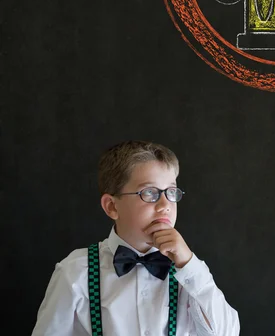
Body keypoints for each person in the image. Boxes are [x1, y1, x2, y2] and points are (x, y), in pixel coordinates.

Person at [31, 140, 240, 336]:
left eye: (171, 191)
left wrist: (188, 264)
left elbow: (227, 332)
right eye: (149, 193)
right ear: (112, 206)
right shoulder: (76, 271)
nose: (165, 205)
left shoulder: (189, 274)